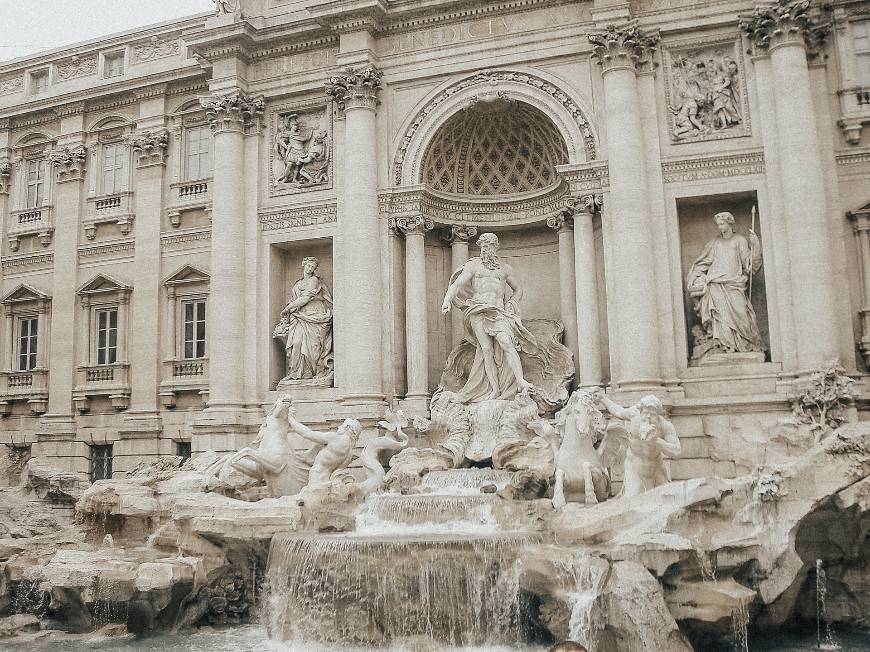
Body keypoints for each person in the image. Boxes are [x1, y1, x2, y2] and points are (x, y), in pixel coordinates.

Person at [441, 232, 539, 402]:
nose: (485, 249)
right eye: (483, 246)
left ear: (496, 247)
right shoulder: (474, 266)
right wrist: (447, 301)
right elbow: (457, 284)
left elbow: (518, 289)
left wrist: (512, 303)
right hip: (478, 310)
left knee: (507, 343)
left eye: (489, 246)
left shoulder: (505, 268)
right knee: (486, 350)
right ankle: (494, 390)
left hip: (498, 311)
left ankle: (521, 381)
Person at [686, 211, 763, 359]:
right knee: (720, 317)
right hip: (715, 284)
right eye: (718, 225)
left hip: (735, 284)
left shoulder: (740, 241)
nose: (720, 227)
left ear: (729, 223)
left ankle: (744, 345)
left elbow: (750, 265)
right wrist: (696, 278)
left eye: (722, 224)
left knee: (742, 314)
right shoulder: (714, 243)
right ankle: (725, 346)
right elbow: (702, 264)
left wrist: (756, 246)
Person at [595, 392, 682, 498]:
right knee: (632, 500)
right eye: (646, 413)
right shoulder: (633, 415)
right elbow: (619, 411)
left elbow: (677, 452)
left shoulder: (665, 426)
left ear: (658, 414)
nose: (648, 417)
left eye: (653, 414)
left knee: (667, 501)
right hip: (634, 467)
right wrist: (603, 398)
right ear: (640, 411)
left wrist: (657, 441)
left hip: (656, 469)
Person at [274, 256, 333, 382]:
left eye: (313, 267)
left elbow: (305, 299)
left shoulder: (313, 280)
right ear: (303, 265)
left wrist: (288, 308)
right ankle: (295, 372)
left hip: (314, 314)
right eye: (308, 266)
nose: (310, 268)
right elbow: (295, 299)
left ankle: (309, 373)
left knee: (313, 346)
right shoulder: (298, 283)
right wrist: (290, 308)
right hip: (300, 316)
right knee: (296, 342)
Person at [287, 413, 362, 488]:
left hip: (316, 480)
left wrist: (290, 419)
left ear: (347, 427)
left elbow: (307, 433)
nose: (339, 427)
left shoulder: (337, 438)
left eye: (342, 425)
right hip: (327, 481)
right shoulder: (350, 453)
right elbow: (329, 463)